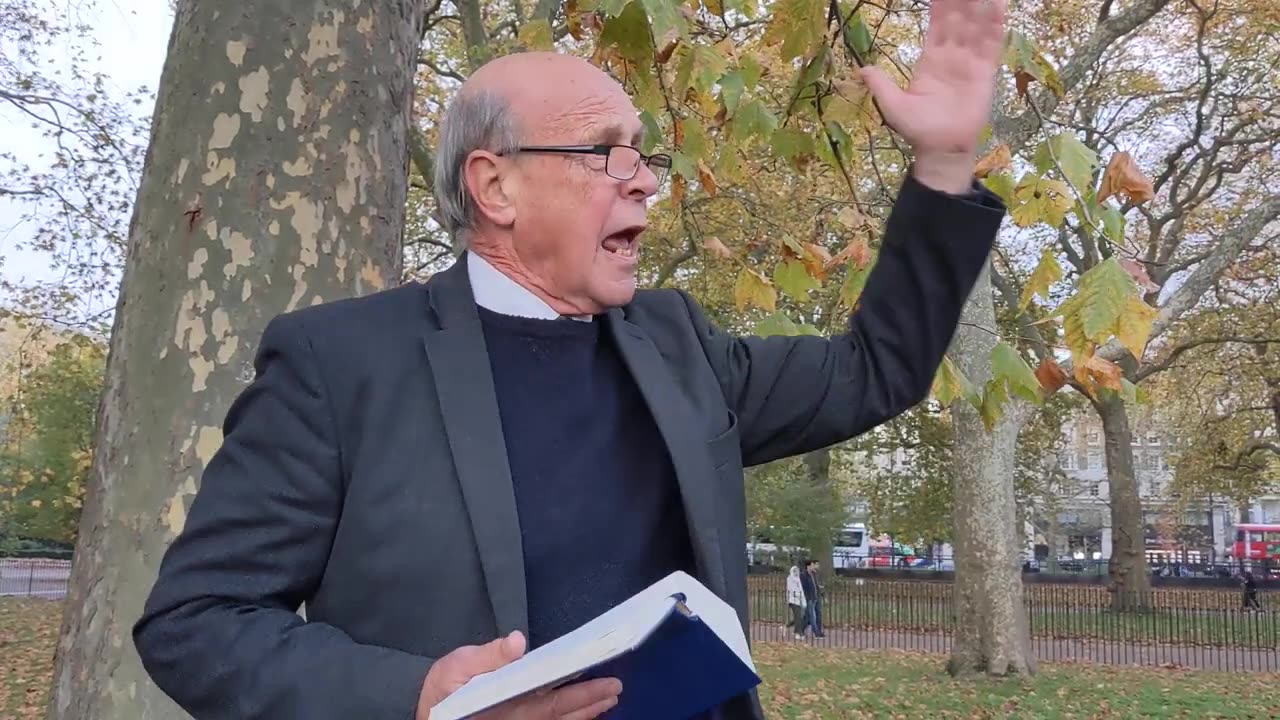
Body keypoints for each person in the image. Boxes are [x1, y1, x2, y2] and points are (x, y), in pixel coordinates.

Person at [131, 0, 1010, 717]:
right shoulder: (339, 363)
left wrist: (943, 163)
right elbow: (196, 623)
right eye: (604, 151)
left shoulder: (679, 344)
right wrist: (419, 696)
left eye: (642, 151)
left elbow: (874, 370)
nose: (646, 179)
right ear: (496, 185)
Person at [786, 565, 807, 640]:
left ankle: (791, 627)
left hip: (800, 600)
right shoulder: (789, 579)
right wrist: (797, 594)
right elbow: (791, 589)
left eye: (797, 571)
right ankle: (799, 632)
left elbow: (801, 589)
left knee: (799, 616)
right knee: (798, 616)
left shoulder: (798, 579)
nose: (796, 573)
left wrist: (802, 596)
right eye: (794, 571)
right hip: (793, 600)